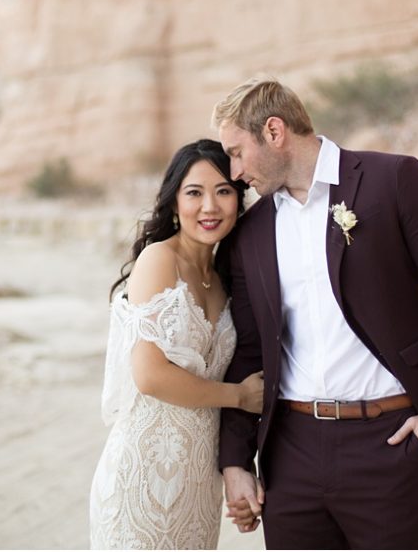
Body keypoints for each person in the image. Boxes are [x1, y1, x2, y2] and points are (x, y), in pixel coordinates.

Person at [213, 78, 418, 549]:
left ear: (275, 132)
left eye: (237, 152)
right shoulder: (253, 230)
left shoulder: (395, 180)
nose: (235, 172)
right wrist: (236, 462)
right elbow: (248, 350)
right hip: (290, 455)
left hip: (390, 446)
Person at [89, 139, 266, 549]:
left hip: (197, 483)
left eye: (223, 191)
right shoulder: (158, 259)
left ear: (239, 201)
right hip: (142, 473)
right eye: (194, 193)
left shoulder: (225, 280)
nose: (210, 207)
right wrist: (238, 396)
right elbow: (150, 375)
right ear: (173, 204)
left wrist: (237, 469)